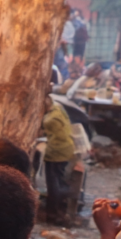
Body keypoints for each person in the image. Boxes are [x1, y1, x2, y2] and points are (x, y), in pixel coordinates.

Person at [39, 95, 76, 224]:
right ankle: (61, 210)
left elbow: (48, 127)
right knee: (59, 180)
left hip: (56, 151)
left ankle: (53, 214)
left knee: (53, 183)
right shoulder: (58, 108)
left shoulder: (51, 118)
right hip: (66, 148)